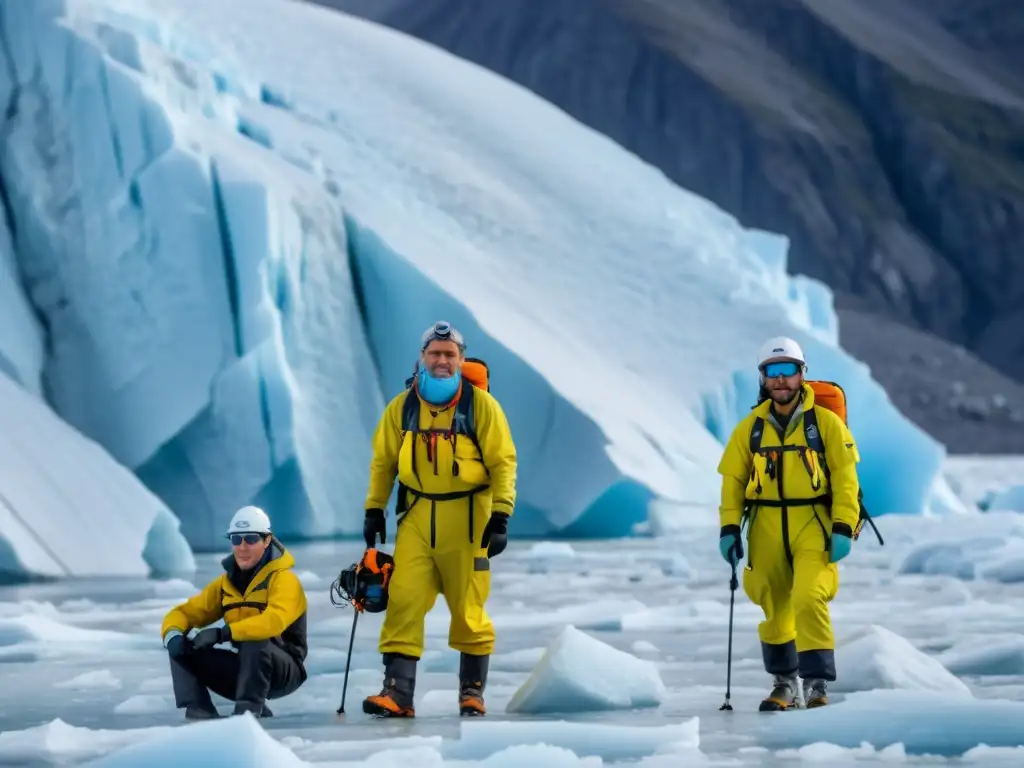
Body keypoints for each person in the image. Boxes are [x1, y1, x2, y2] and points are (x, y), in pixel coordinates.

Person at [361, 320, 517, 718]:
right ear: (423, 357)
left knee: (469, 606)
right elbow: (384, 463)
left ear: (461, 360)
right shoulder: (403, 406)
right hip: (416, 516)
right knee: (403, 599)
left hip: (468, 519)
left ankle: (471, 693)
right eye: (435, 353)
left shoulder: (480, 406)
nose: (442, 361)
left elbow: (503, 463)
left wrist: (500, 516)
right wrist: (374, 508)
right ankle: (397, 693)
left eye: (450, 355)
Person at [716, 336, 861, 711]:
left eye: (788, 371)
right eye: (773, 372)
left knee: (808, 594)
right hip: (765, 522)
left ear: (802, 375)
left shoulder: (825, 424)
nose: (781, 380)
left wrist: (843, 525)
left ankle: (815, 685)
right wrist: (730, 528)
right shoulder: (750, 429)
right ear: (763, 378)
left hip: (812, 520)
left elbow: (846, 480)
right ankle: (784, 684)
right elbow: (733, 481)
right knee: (772, 598)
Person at [160, 505, 308, 719]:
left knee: (256, 639)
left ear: (267, 541)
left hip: (284, 671)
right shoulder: (225, 585)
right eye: (236, 540)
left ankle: (248, 711)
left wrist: (223, 633)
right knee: (180, 644)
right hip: (245, 670)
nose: (242, 547)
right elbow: (184, 613)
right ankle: (199, 709)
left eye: (251, 539)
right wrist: (172, 635)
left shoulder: (284, 580)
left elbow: (273, 621)